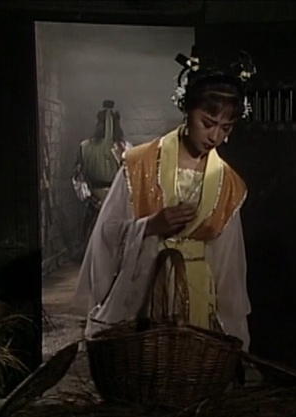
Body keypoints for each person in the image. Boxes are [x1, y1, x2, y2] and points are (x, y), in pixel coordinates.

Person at [72, 48, 258, 366]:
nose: (215, 136)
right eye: (208, 122)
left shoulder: (229, 184)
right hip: (145, 288)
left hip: (197, 296)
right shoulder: (139, 164)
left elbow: (228, 268)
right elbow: (106, 235)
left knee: (190, 373)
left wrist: (233, 331)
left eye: (226, 128)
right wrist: (148, 226)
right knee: (146, 369)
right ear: (186, 109)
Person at [72, 100, 133, 247]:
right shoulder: (85, 147)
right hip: (95, 203)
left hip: (118, 203)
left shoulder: (126, 148)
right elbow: (78, 177)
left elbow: (131, 179)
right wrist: (92, 199)